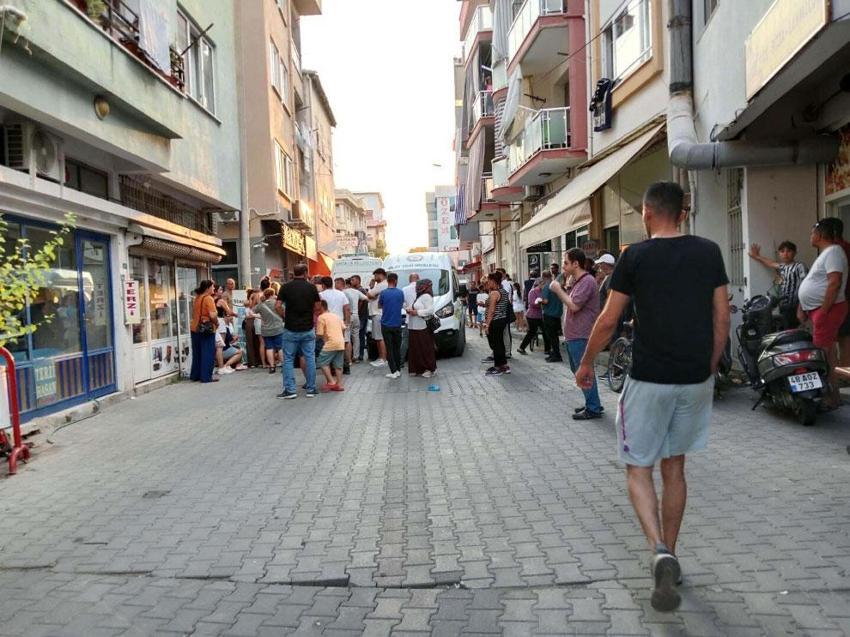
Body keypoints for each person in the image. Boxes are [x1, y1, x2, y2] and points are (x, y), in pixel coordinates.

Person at [575, 182, 730, 612]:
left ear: (646, 213)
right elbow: (722, 316)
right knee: (675, 468)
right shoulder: (709, 252)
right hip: (694, 378)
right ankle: (672, 555)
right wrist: (710, 365)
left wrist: (586, 363)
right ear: (682, 213)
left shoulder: (635, 257)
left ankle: (658, 548)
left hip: (648, 380)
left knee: (638, 467)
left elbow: (609, 319)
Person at [797, 218, 848, 410]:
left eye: (812, 233)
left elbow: (834, 283)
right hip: (820, 310)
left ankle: (830, 397)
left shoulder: (833, 252)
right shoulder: (827, 253)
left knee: (823, 355)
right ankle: (832, 395)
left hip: (827, 310)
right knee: (827, 354)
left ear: (819, 234)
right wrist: (803, 305)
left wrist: (824, 311)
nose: (810, 236)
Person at [549, 249, 603, 420]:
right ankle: (591, 402)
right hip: (575, 335)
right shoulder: (579, 281)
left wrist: (558, 289)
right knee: (578, 370)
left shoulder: (587, 281)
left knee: (583, 370)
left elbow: (574, 305)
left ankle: (593, 407)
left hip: (582, 335)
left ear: (576, 264)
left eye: (566, 263)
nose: (563, 266)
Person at [276, 263, 321, 399]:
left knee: (288, 359)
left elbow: (277, 306)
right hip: (307, 328)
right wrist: (310, 314)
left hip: (290, 328)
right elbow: (318, 306)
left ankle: (290, 390)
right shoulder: (311, 287)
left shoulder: (285, 287)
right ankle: (311, 389)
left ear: (293, 273)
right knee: (310, 358)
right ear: (305, 273)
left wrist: (284, 316)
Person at [749, 241, 807, 328]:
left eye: (789, 251)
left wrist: (801, 308)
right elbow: (771, 263)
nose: (785, 254)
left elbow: (805, 286)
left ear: (795, 253)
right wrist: (757, 256)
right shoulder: (783, 266)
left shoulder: (799, 266)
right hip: (783, 306)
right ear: (779, 253)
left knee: (792, 330)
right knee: (783, 329)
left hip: (795, 306)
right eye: (782, 251)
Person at [823, 217, 850, 367]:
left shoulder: (835, 250)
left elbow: (834, 282)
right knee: (843, 336)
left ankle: (840, 371)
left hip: (839, 299)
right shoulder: (843, 247)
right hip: (843, 298)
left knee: (838, 338)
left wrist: (825, 306)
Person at [406, 278, 437, 377]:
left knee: (425, 349)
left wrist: (417, 312)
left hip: (422, 327)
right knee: (416, 349)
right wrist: (409, 309)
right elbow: (414, 307)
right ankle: (418, 369)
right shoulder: (419, 297)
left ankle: (429, 369)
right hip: (414, 327)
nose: (416, 287)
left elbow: (430, 310)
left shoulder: (426, 296)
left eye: (418, 286)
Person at [189, 280, 219, 383]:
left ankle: (195, 375)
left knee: (197, 353)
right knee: (208, 353)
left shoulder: (197, 298)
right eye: (212, 287)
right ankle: (206, 377)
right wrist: (217, 323)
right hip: (206, 329)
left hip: (195, 328)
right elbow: (212, 315)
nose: (214, 288)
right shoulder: (209, 298)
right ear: (207, 288)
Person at [320, 276, 351, 373]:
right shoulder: (341, 294)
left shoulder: (321, 295)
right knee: (342, 344)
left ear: (323, 285)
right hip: (339, 322)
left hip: (327, 323)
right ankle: (345, 366)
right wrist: (347, 321)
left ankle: (332, 368)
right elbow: (347, 308)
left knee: (329, 345)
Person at [483, 272, 511, 376]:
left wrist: (487, 324)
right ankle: (504, 365)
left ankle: (498, 367)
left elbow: (491, 310)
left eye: (488, 281)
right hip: (502, 320)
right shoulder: (503, 291)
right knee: (499, 343)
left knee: (496, 344)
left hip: (495, 321)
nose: (487, 283)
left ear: (493, 281)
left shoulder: (494, 293)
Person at [378, 272, 405, 379]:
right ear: (396, 281)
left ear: (388, 281)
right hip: (397, 323)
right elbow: (401, 304)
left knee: (389, 348)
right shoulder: (400, 292)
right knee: (397, 348)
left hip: (386, 324)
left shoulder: (383, 293)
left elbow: (380, 305)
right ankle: (398, 370)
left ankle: (393, 371)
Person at [316, 300, 346, 392]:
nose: (315, 308)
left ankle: (331, 382)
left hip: (330, 343)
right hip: (340, 342)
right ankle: (339, 384)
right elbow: (343, 328)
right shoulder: (336, 316)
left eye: (316, 306)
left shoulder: (321, 317)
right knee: (338, 365)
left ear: (321, 307)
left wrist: (313, 339)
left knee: (322, 362)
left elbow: (319, 334)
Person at [253, 287, 285, 373]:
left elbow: (251, 312)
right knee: (280, 347)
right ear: (272, 294)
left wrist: (260, 317)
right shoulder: (277, 303)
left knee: (269, 348)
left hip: (266, 330)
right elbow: (284, 312)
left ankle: (272, 367)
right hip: (278, 328)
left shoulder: (261, 305)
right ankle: (284, 366)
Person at [342, 278, 367, 369]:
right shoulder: (356, 292)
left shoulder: (343, 292)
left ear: (346, 284)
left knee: (347, 338)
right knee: (356, 337)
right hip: (356, 316)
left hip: (348, 316)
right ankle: (356, 357)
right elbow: (366, 298)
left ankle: (348, 358)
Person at [539, 270, 564, 362]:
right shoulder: (557, 285)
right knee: (555, 336)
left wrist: (539, 301)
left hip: (549, 314)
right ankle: (555, 353)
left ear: (543, 277)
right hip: (557, 314)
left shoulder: (547, 286)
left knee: (551, 336)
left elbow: (545, 301)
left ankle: (556, 355)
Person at [367, 268, 389, 367]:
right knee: (378, 337)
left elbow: (369, 294)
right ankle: (381, 357)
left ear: (381, 275)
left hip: (378, 313)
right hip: (379, 313)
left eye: (375, 275)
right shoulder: (383, 284)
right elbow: (371, 296)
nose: (374, 277)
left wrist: (371, 287)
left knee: (379, 337)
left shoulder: (381, 285)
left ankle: (383, 358)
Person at [518, 278, 543, 355]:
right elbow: (532, 303)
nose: (544, 285)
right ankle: (521, 348)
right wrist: (542, 304)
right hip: (532, 315)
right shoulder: (532, 292)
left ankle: (548, 349)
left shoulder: (542, 291)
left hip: (540, 315)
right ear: (539, 284)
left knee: (545, 331)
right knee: (531, 332)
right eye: (543, 284)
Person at [350, 274, 369, 362]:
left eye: (353, 280)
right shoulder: (361, 290)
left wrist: (355, 312)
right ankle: (360, 354)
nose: (351, 282)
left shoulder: (359, 290)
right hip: (362, 316)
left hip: (360, 316)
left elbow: (360, 303)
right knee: (360, 335)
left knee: (358, 336)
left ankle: (359, 354)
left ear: (358, 280)